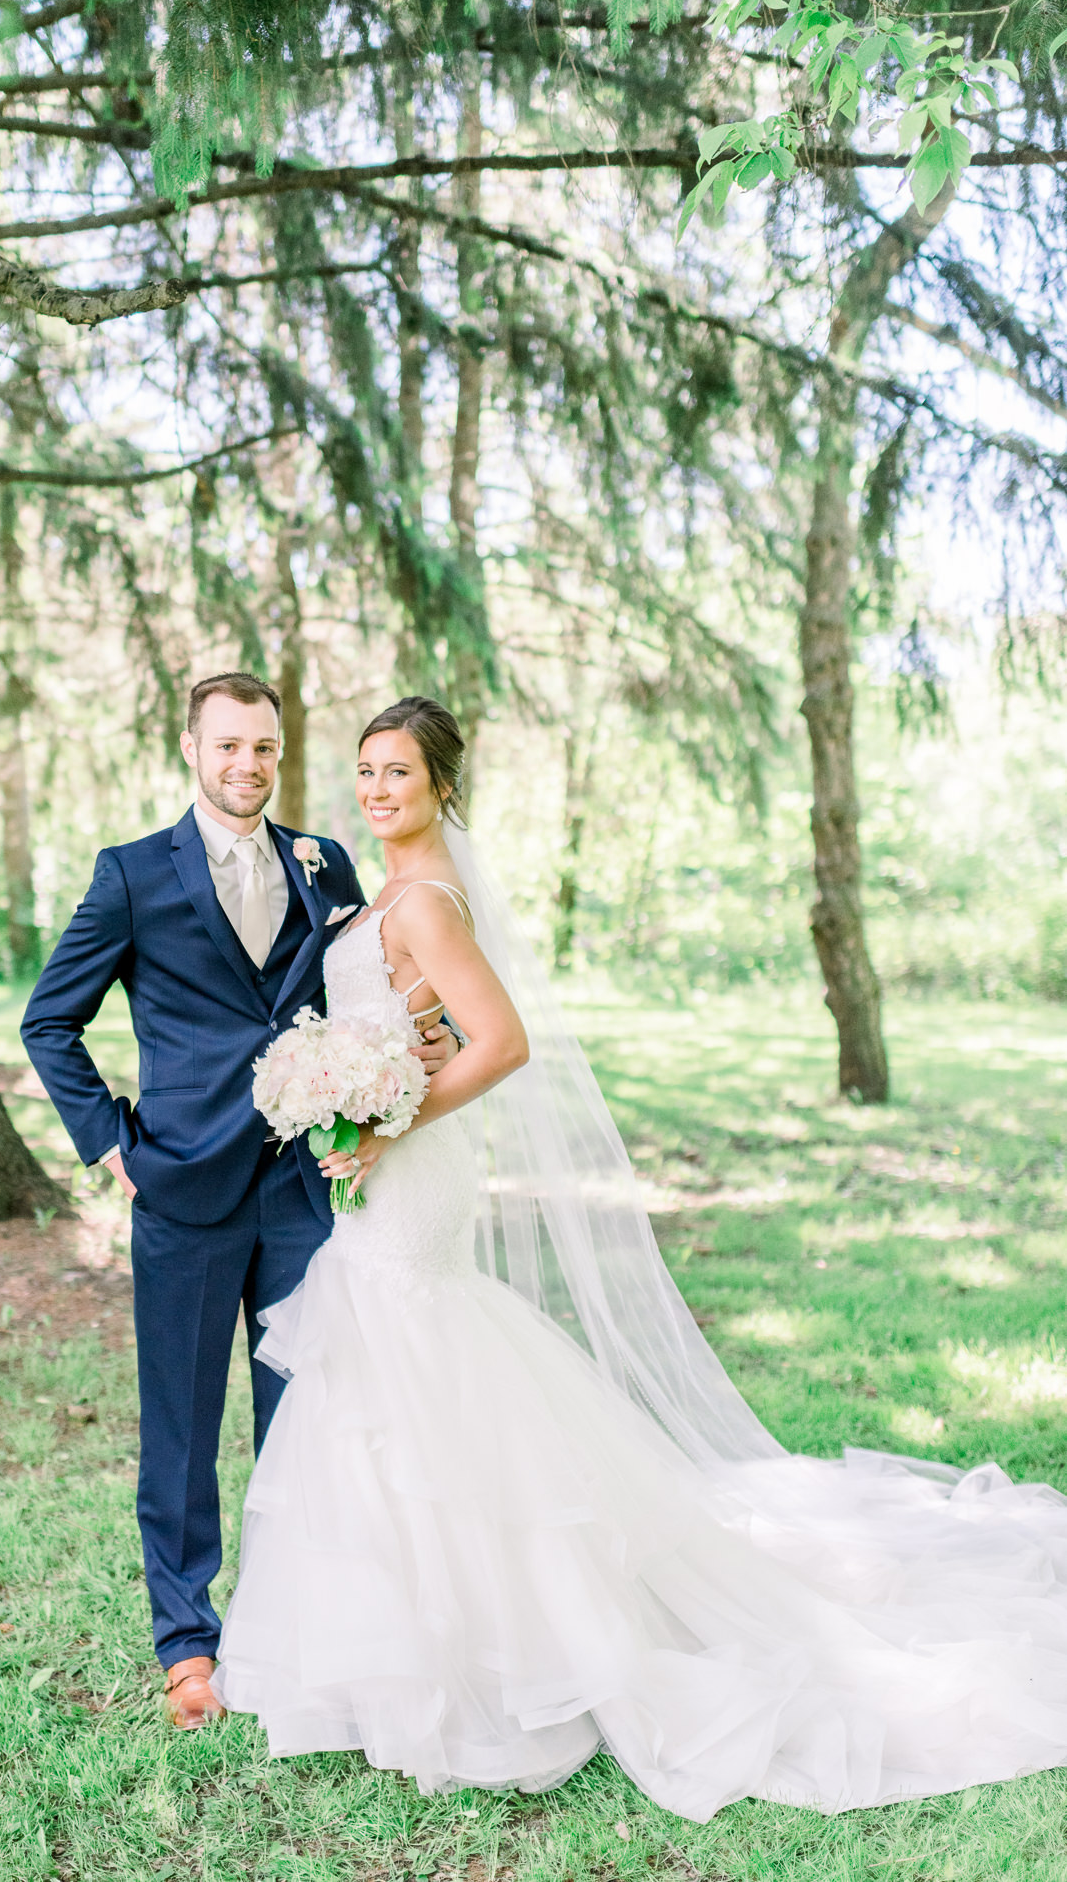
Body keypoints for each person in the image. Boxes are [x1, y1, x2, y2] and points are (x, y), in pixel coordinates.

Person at [213, 695, 1067, 1820]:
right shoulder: (390, 896)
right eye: (366, 772)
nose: (376, 790)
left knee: (412, 1357)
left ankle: (485, 1660)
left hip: (410, 1175)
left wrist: (384, 1119)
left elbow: (502, 1040)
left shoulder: (423, 902)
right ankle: (405, 1655)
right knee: (389, 1373)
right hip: (384, 1172)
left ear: (440, 788)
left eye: (399, 774)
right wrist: (354, 1079)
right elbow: (418, 1029)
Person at [19, 673, 454, 1732]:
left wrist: (413, 1054)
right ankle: (188, 1647)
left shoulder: (324, 863)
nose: (247, 766)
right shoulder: (131, 877)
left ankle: (287, 1623)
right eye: (228, 747)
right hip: (180, 1191)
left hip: (305, 1187)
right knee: (179, 1429)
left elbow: (374, 982)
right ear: (191, 751)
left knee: (301, 1418)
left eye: (263, 748)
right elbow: (49, 1023)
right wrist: (114, 1148)